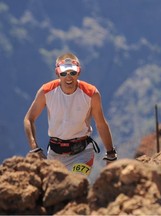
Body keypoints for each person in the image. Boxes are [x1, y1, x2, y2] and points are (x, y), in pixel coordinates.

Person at [24, 52, 117, 184]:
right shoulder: (46, 91)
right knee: (54, 191)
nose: (68, 77)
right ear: (57, 73)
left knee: (74, 184)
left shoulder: (91, 93)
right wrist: (34, 148)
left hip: (82, 154)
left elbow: (101, 124)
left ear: (78, 72)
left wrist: (110, 153)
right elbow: (29, 119)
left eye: (72, 73)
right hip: (54, 155)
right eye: (63, 73)